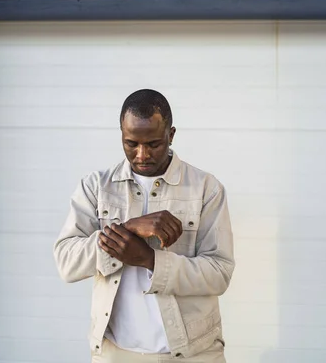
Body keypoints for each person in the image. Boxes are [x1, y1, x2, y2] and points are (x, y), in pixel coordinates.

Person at [53, 89, 235, 362]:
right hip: (115, 354)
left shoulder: (206, 189)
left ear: (170, 135)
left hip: (192, 354)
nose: (141, 154)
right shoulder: (96, 186)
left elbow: (219, 273)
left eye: (153, 144)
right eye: (131, 143)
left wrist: (151, 260)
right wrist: (126, 229)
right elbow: (67, 263)